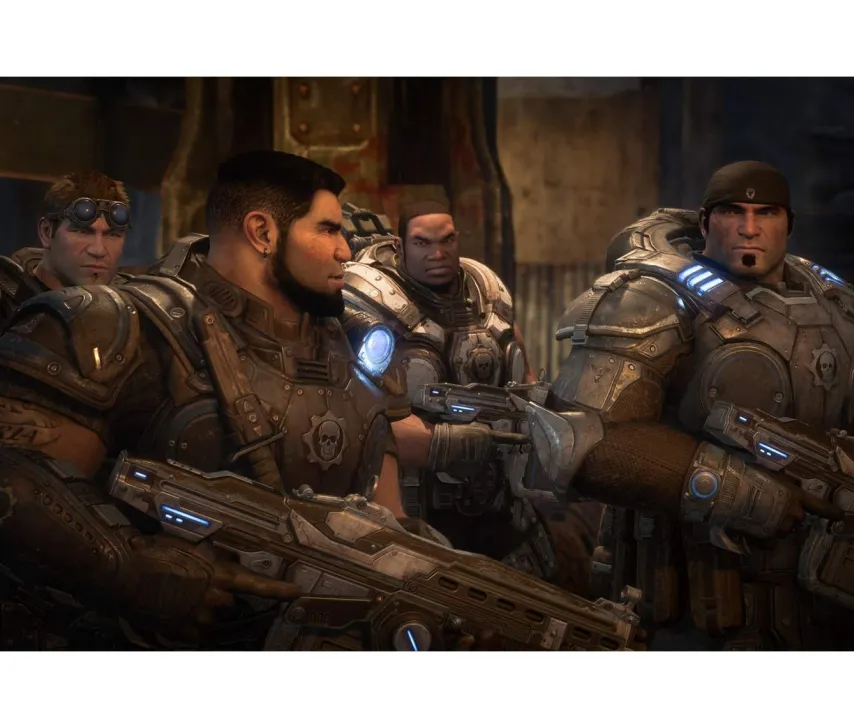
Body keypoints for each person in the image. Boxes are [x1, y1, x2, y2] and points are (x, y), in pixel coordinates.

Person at [0, 150, 413, 649]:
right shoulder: (121, 327)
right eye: (327, 230)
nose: (346, 250)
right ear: (262, 233)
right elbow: (19, 480)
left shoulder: (353, 345)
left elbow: (389, 521)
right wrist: (133, 572)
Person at [531, 161, 854, 649]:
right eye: (732, 212)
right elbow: (582, 439)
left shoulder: (835, 308)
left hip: (821, 589)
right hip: (691, 600)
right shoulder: (653, 298)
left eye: (766, 213)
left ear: (789, 223)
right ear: (704, 222)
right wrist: (747, 495)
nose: (748, 228)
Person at [340, 200, 567, 578]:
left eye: (446, 241)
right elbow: (361, 421)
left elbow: (523, 377)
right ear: (400, 245)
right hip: (415, 506)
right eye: (422, 243)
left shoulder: (488, 293)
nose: (437, 254)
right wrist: (444, 443)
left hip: (502, 501)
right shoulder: (369, 303)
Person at [0, 171, 133, 325]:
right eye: (83, 232)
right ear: (46, 232)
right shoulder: (6, 307)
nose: (99, 250)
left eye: (113, 235)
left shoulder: (133, 306)